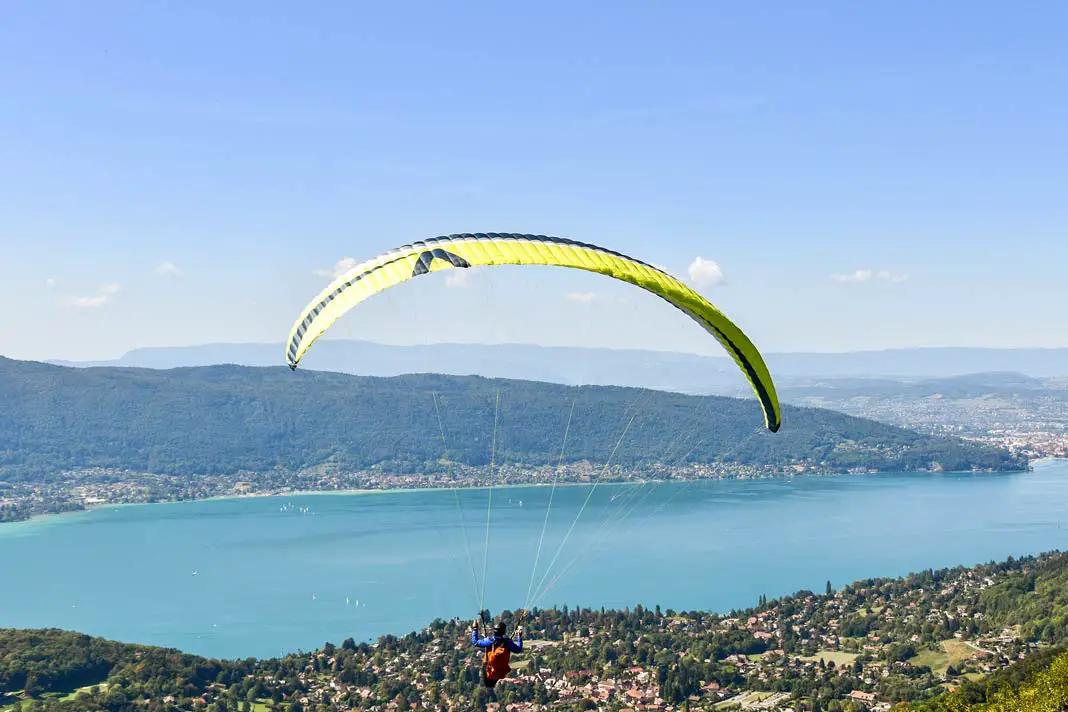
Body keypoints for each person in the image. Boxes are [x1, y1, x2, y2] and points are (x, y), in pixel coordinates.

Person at [470, 620, 523, 688]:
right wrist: (519, 637)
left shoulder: (490, 641)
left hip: (493, 673)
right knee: (489, 672)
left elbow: (475, 642)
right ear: (503, 632)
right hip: (499, 673)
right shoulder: (507, 642)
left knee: (487, 666)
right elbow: (518, 649)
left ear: (494, 631)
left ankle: (490, 685)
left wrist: (475, 628)